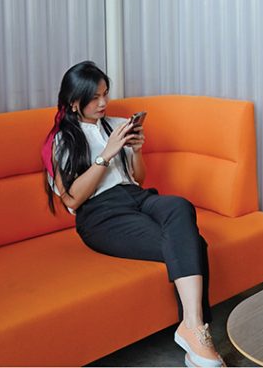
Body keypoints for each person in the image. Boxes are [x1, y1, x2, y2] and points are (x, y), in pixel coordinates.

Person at [43, 61, 224, 368]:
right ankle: (198, 335)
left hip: (137, 197)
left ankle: (191, 327)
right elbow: (72, 199)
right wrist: (105, 155)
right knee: (192, 243)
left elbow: (138, 178)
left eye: (105, 94)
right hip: (100, 215)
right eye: (95, 97)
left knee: (179, 206)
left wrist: (135, 150)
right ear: (74, 102)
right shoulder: (61, 141)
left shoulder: (117, 123)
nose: (103, 103)